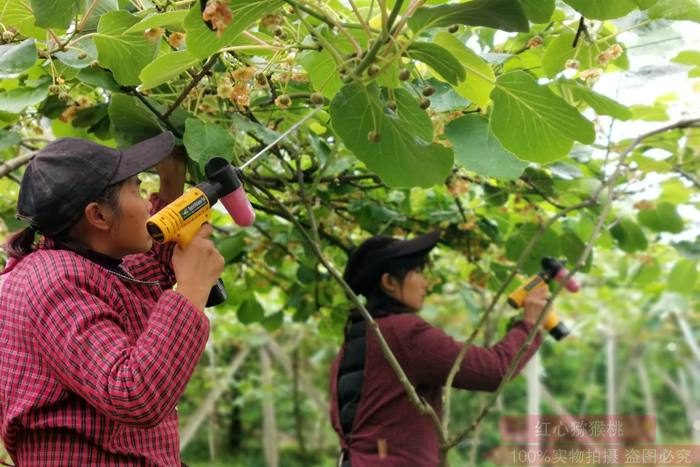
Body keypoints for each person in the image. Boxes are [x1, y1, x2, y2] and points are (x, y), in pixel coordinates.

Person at [0, 133, 224, 465]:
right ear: (99, 216)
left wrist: (171, 184)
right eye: (135, 188)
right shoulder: (53, 284)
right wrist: (190, 291)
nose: (147, 202)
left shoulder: (84, 261)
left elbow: (142, 272)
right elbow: (134, 394)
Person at [330, 230, 550, 466]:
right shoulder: (403, 334)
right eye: (416, 272)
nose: (426, 283)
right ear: (389, 282)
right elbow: (493, 370)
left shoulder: (350, 346)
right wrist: (529, 325)